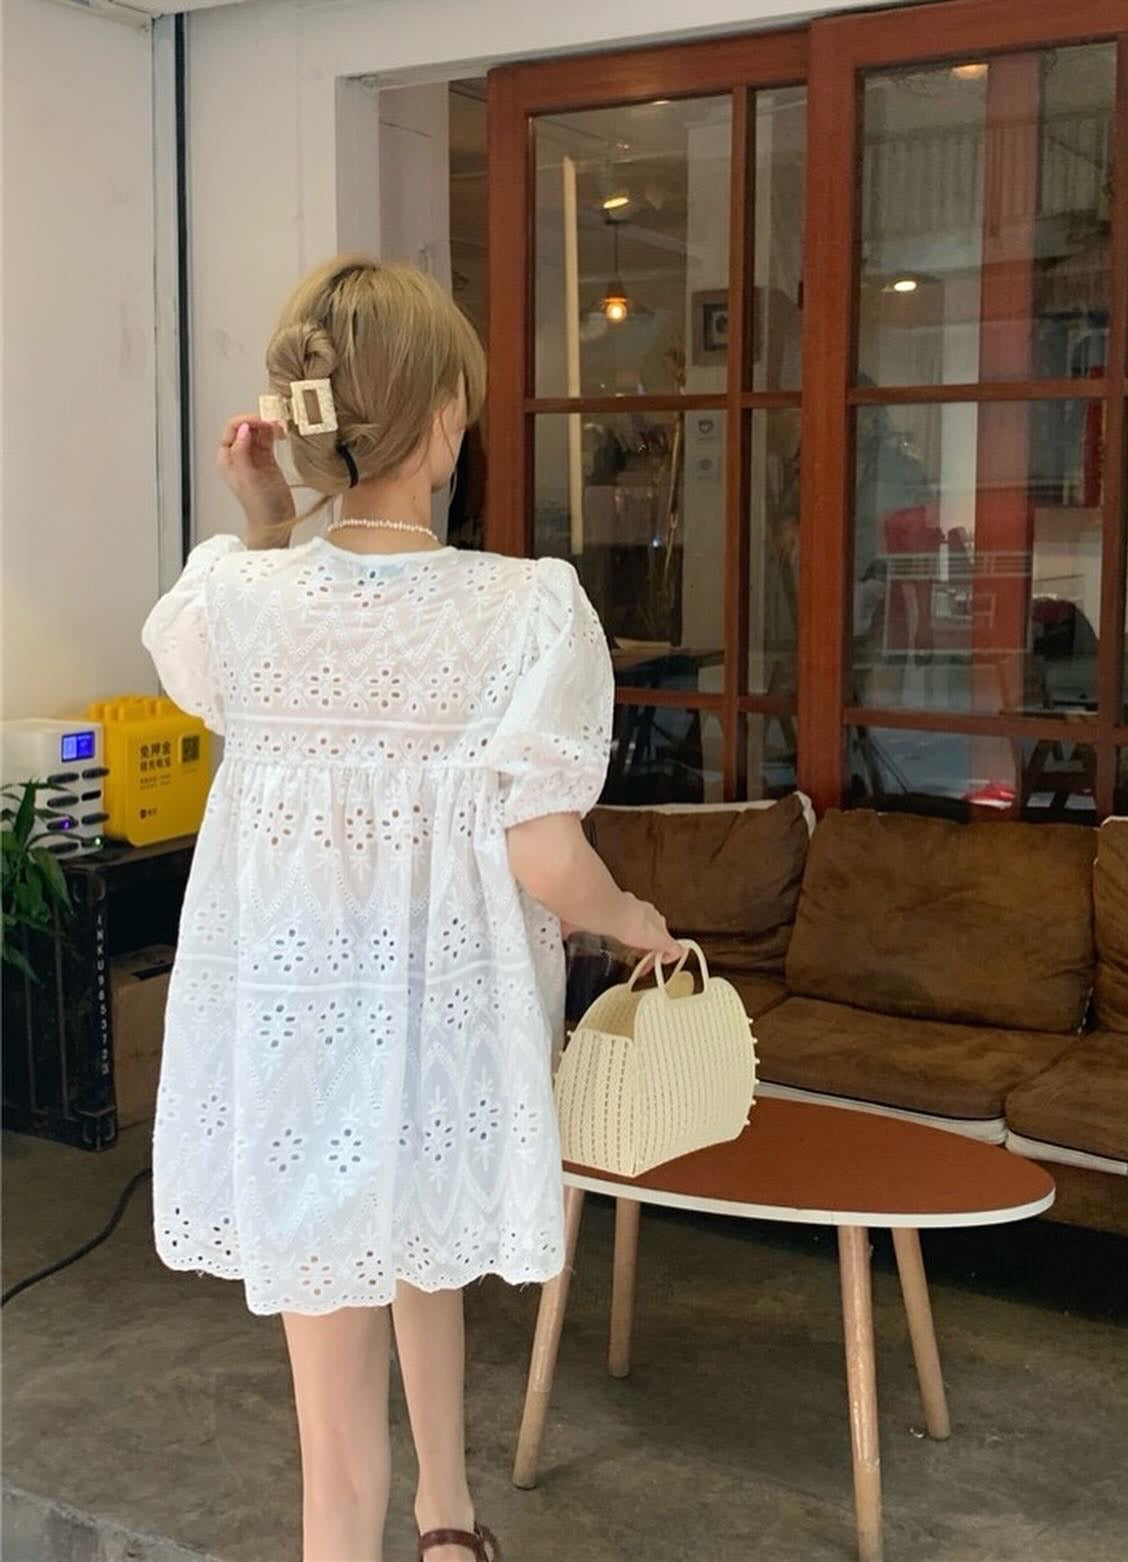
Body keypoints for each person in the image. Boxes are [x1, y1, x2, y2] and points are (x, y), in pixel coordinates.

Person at [141, 256, 682, 1562]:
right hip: (439, 1033)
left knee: (337, 1449)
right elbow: (546, 854)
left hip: (294, 1043)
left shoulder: (230, 594)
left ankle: (439, 1516)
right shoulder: (525, 610)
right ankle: (445, 1522)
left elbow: (244, 653)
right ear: (444, 421)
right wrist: (633, 915)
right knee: (420, 1257)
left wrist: (269, 520)